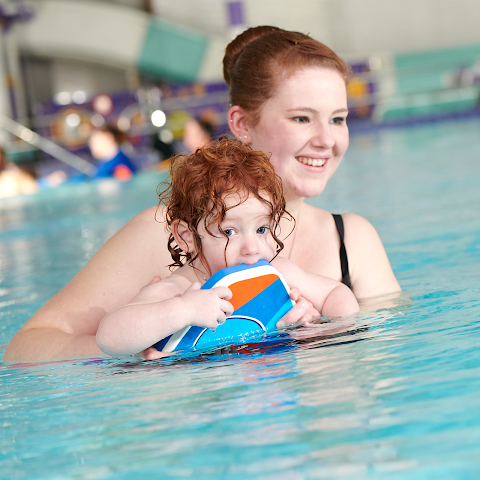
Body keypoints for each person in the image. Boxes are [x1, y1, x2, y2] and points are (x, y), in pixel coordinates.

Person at [3, 26, 400, 362]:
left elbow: (391, 360)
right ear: (241, 123)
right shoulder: (162, 232)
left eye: (338, 119)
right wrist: (141, 349)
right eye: (301, 118)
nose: (327, 140)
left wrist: (325, 333)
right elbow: (25, 349)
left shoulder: (352, 239)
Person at [96, 138, 359, 359]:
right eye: (229, 231)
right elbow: (109, 337)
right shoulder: (179, 292)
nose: (251, 248)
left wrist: (328, 333)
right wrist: (181, 311)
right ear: (187, 236)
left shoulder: (279, 275)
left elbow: (336, 293)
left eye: (262, 229)